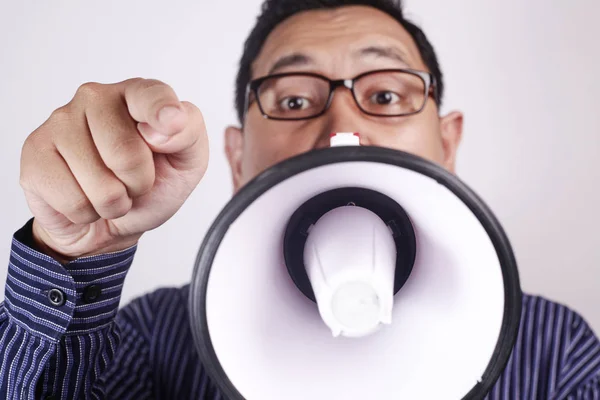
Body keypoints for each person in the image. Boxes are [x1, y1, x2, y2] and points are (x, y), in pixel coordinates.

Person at [1, 0, 599, 398]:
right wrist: (74, 251)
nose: (342, 123)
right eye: (292, 100)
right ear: (236, 157)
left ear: (448, 141)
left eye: (386, 96)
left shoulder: (553, 350)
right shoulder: (159, 336)